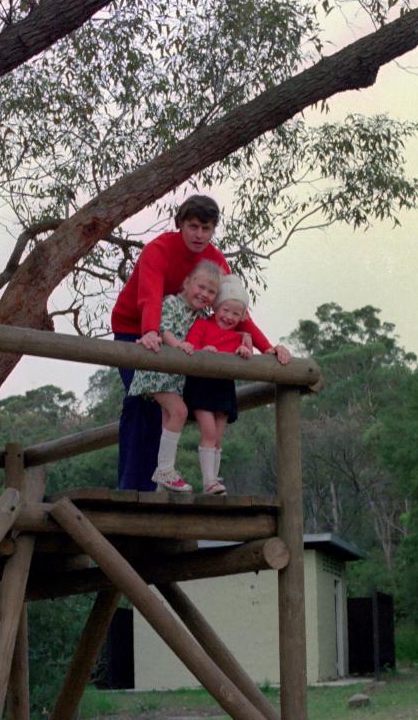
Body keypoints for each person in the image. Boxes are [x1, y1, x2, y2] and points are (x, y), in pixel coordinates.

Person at [111, 194, 291, 491]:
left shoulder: (215, 262)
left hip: (182, 336)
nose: (199, 235)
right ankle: (132, 489)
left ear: (213, 230)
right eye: (193, 226)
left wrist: (266, 347)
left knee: (174, 406)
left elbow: (232, 310)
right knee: (142, 398)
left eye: (206, 229)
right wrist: (150, 332)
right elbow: (149, 296)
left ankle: (162, 483)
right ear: (180, 224)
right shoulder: (159, 249)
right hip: (137, 328)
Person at [126, 262, 223, 491]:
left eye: (211, 292)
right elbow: (163, 328)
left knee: (168, 420)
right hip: (157, 371)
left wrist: (203, 348)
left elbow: (198, 339)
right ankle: (165, 471)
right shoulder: (171, 302)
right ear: (187, 283)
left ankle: (163, 482)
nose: (205, 294)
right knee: (180, 411)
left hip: (174, 377)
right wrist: (178, 345)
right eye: (201, 287)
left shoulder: (199, 315)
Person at [182, 274, 253, 495]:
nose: (229, 317)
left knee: (218, 436)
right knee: (209, 432)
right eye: (225, 310)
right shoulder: (202, 325)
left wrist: (244, 349)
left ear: (242, 316)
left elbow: (247, 351)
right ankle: (209, 481)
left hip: (223, 389)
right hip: (202, 387)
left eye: (236, 313)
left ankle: (214, 481)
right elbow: (190, 345)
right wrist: (204, 351)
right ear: (216, 308)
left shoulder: (238, 337)